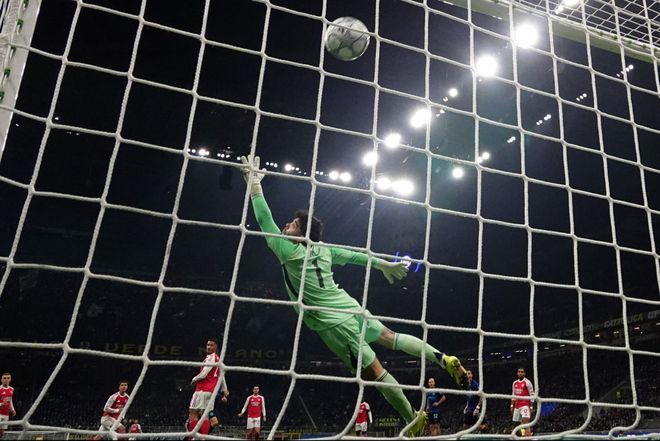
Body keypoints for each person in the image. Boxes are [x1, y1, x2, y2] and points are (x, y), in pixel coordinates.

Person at [240, 155, 469, 437]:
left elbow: (265, 219)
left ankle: (412, 420)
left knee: (376, 372)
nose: (286, 225)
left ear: (301, 235)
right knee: (393, 337)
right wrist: (384, 264)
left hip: (335, 324)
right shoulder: (325, 250)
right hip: (350, 307)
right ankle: (443, 358)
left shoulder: (288, 252)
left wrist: (255, 186)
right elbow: (356, 256)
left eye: (293, 224)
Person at [188, 339, 229, 436]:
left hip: (202, 389)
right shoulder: (218, 359)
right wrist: (225, 389)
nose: (209, 347)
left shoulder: (211, 358)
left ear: (216, 347)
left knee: (193, 413)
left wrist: (194, 379)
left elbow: (204, 373)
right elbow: (221, 375)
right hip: (210, 392)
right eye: (208, 345)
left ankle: (191, 437)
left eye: (211, 345)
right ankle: (204, 437)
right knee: (205, 416)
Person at [511, 367, 534, 437]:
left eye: (522, 372)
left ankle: (528, 436)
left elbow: (532, 394)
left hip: (525, 405)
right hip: (516, 406)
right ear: (517, 373)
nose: (520, 373)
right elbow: (513, 395)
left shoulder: (527, 382)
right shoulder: (514, 383)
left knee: (526, 421)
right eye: (519, 372)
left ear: (524, 373)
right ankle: (521, 436)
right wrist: (512, 405)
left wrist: (531, 406)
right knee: (515, 425)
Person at [0, 373, 16, 439]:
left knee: (1, 433)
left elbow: (10, 400)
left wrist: (13, 409)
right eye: (4, 378)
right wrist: (1, 404)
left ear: (10, 379)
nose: (6, 380)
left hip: (6, 414)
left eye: (8, 378)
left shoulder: (12, 389)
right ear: (1, 380)